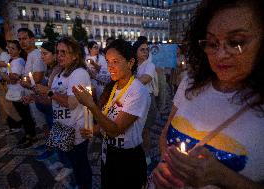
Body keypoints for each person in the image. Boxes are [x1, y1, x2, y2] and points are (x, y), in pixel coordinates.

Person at [153, 0, 264, 188]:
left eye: (235, 42)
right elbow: (165, 135)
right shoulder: (191, 82)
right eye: (212, 43)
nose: (220, 55)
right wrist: (168, 169)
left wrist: (222, 177)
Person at [73, 39, 151, 189]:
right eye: (108, 62)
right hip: (107, 152)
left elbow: (115, 130)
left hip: (128, 158)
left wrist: (91, 104)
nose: (110, 67)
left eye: (115, 61)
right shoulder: (113, 86)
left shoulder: (137, 91)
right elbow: (106, 118)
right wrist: (93, 130)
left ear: (130, 62)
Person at [48, 37, 92, 188]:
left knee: (80, 163)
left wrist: (48, 93)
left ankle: (85, 186)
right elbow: (53, 100)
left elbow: (72, 103)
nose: (59, 55)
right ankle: (80, 183)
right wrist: (34, 94)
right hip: (63, 127)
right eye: (57, 52)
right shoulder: (61, 72)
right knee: (74, 161)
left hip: (77, 128)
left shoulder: (79, 73)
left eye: (64, 52)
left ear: (75, 56)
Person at [18, 28, 46, 146]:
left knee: (45, 123)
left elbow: (38, 77)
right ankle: (49, 146)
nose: (21, 42)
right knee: (40, 122)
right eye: (19, 39)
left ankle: (52, 150)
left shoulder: (37, 54)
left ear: (32, 39)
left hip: (39, 94)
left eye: (24, 38)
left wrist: (24, 81)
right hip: (32, 94)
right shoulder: (29, 55)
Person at [133, 38, 159, 165]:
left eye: (147, 50)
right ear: (135, 51)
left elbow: (146, 79)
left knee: (145, 129)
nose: (145, 52)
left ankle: (147, 155)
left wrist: (127, 85)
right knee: (135, 127)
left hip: (146, 100)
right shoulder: (133, 65)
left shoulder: (150, 65)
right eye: (142, 50)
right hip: (133, 100)